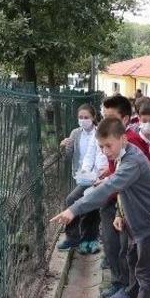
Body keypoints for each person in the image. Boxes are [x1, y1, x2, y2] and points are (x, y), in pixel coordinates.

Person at [52, 117, 150, 298]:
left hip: (148, 224)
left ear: (123, 139)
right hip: (133, 221)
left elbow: (112, 187)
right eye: (101, 147)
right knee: (132, 261)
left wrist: (73, 209)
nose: (105, 152)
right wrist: (119, 213)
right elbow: (122, 188)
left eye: (108, 146)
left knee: (144, 271)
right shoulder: (125, 155)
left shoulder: (133, 160)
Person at [98, 95, 135, 298]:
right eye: (104, 117)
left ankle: (127, 289)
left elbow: (126, 178)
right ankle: (118, 283)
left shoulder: (131, 143)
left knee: (123, 249)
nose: (106, 122)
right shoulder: (111, 140)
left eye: (111, 118)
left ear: (125, 119)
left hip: (121, 202)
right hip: (112, 198)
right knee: (112, 246)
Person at [57, 103, 103, 254]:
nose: (83, 120)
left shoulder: (99, 132)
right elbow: (69, 156)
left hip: (97, 175)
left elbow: (97, 156)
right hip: (81, 175)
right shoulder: (75, 133)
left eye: (86, 117)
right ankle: (74, 237)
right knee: (75, 201)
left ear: (93, 117)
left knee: (90, 206)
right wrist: (64, 147)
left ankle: (90, 239)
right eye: (80, 117)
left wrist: (96, 174)